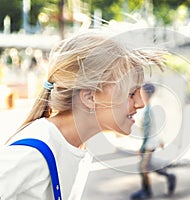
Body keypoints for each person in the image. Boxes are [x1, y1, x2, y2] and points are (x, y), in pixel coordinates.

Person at [0, 30, 164, 199]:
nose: (140, 103)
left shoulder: (76, 146)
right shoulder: (31, 153)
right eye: (131, 93)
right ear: (90, 97)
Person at [130, 83, 176, 200]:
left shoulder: (151, 108)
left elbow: (151, 131)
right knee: (148, 166)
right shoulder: (148, 107)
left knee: (143, 168)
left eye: (142, 93)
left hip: (150, 143)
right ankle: (169, 177)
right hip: (150, 142)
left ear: (147, 93)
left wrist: (143, 147)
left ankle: (147, 191)